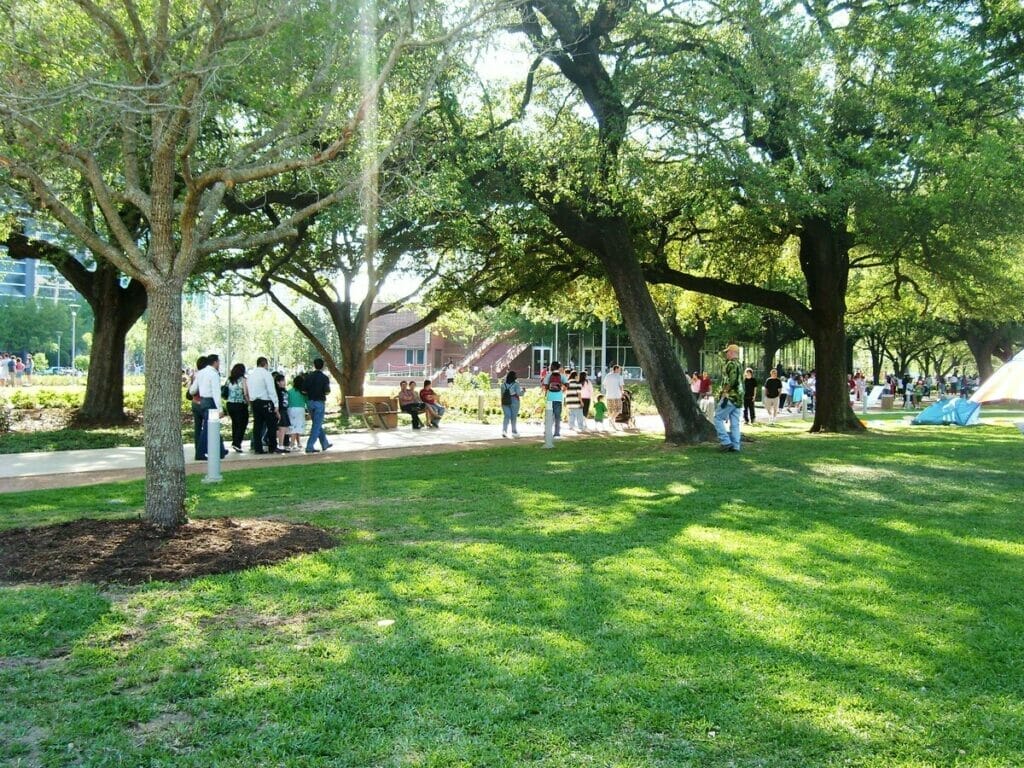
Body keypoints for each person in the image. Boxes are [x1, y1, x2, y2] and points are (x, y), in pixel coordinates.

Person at [189, 353, 228, 460]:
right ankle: (201, 453)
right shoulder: (214, 375)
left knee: (212, 427)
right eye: (219, 362)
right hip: (211, 402)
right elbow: (216, 392)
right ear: (215, 362)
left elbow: (192, 390)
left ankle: (220, 451)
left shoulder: (200, 373)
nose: (219, 364)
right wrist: (220, 408)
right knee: (208, 428)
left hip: (203, 401)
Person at [248, 356, 282, 454]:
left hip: (255, 402)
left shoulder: (251, 375)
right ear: (265, 364)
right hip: (265, 402)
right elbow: (271, 390)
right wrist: (276, 404)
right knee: (271, 425)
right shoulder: (266, 374)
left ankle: (258, 448)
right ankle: (272, 446)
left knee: (257, 425)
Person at [714, 343, 742, 453]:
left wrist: (725, 391)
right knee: (735, 423)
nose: (726, 354)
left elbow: (732, 380)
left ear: (732, 352)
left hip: (730, 396)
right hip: (739, 398)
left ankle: (725, 442)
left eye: (727, 352)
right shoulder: (740, 364)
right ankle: (736, 446)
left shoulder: (730, 364)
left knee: (718, 418)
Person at [302, 358, 332, 453]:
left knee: (317, 423)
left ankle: (325, 443)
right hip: (319, 402)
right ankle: (309, 446)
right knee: (316, 425)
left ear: (314, 365)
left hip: (310, 402)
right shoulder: (324, 378)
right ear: (322, 366)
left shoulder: (309, 377)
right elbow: (327, 391)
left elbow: (303, 390)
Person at [186, 355, 208, 460]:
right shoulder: (206, 375)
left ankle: (198, 450)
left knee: (198, 428)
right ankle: (204, 451)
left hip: (195, 403)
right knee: (208, 428)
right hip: (203, 403)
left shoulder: (195, 375)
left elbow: (191, 390)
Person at [225, 363, 250, 453]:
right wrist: (249, 403)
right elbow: (245, 393)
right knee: (242, 423)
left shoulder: (229, 380)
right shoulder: (243, 380)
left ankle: (235, 441)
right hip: (240, 404)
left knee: (235, 423)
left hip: (230, 404)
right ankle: (237, 442)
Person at [542, 361, 565, 448]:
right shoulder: (561, 376)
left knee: (549, 416)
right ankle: (557, 433)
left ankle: (548, 431)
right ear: (558, 368)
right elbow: (566, 385)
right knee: (557, 416)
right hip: (558, 398)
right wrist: (562, 391)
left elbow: (544, 386)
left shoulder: (548, 375)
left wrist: (547, 391)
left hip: (549, 398)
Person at [500, 371, 524, 437]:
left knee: (507, 416)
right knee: (513, 417)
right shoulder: (516, 384)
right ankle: (514, 431)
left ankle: (504, 431)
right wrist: (523, 391)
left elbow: (502, 395)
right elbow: (519, 393)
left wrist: (502, 402)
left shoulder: (503, 385)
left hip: (505, 401)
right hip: (514, 401)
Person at [601, 364, 625, 430]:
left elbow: (604, 385)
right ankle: (611, 419)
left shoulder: (608, 376)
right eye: (619, 369)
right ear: (616, 369)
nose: (620, 370)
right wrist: (622, 394)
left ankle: (611, 420)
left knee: (611, 410)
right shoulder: (619, 377)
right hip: (617, 395)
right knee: (618, 409)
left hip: (609, 395)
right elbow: (621, 386)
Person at [274, 372, 292, 451]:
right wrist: (277, 411)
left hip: (284, 410)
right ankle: (280, 445)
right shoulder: (277, 392)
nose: (284, 382)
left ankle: (282, 444)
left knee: (284, 428)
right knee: (282, 428)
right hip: (280, 410)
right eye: (282, 381)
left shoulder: (284, 391)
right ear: (278, 382)